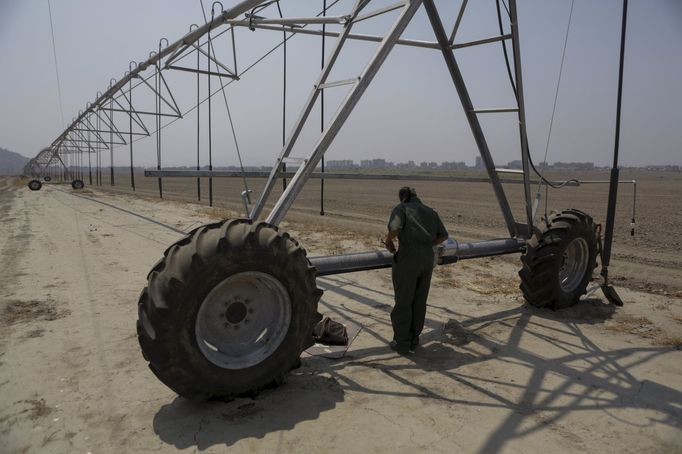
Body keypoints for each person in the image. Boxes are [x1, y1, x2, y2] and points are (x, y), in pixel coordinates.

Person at [384, 187, 448, 354]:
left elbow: (394, 229)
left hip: (408, 260)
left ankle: (402, 343)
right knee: (419, 301)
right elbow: (443, 236)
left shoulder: (402, 209)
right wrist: (426, 245)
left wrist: (388, 242)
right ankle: (414, 339)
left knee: (404, 301)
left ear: (403, 198)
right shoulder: (430, 211)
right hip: (427, 260)